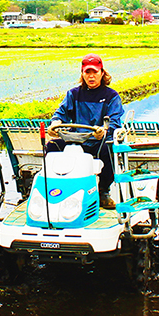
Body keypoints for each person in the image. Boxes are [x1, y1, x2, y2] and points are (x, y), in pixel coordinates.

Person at [47, 53, 124, 209]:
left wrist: (104, 130)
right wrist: (55, 123)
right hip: (76, 140)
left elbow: (115, 122)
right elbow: (60, 113)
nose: (91, 76)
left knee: (107, 150)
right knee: (52, 147)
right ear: (82, 74)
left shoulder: (111, 96)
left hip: (98, 140)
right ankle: (55, 188)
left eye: (94, 72)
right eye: (87, 72)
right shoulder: (74, 94)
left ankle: (103, 191)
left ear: (102, 73)